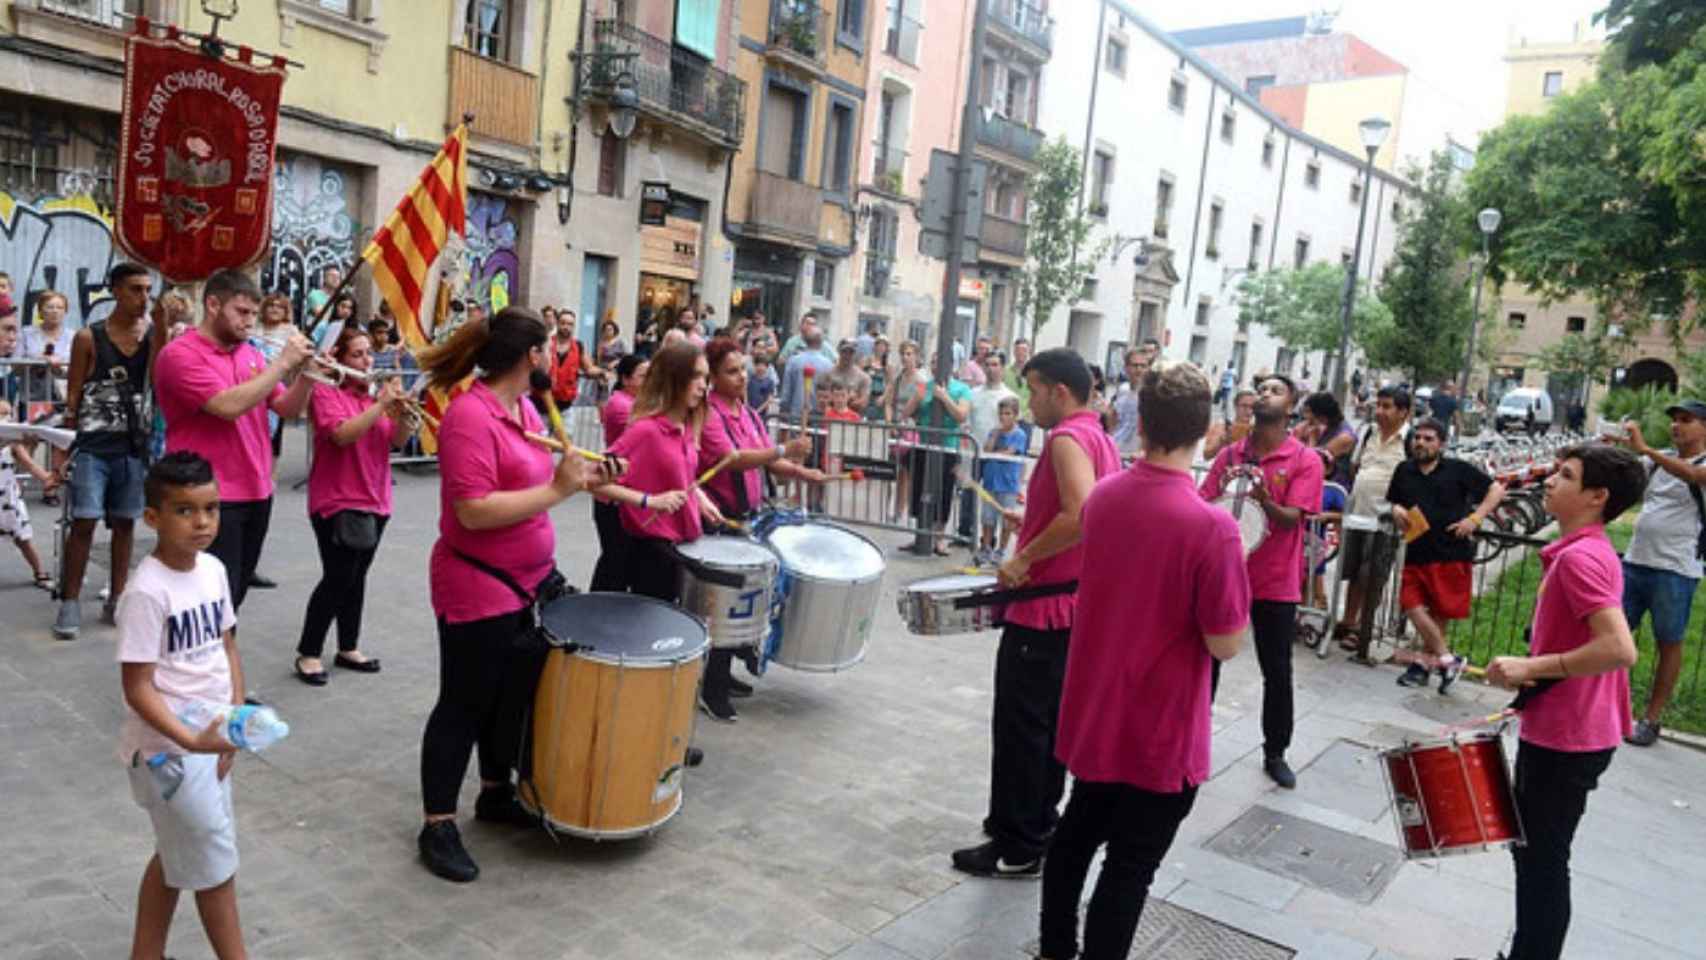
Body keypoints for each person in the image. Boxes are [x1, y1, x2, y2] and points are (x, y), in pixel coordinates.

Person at [1039, 360, 1249, 960]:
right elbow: (1224, 643)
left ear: (1142, 421)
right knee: (1130, 868)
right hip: (1161, 730)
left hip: (1097, 712)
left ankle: (1056, 950)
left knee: (1075, 838)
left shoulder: (1103, 500)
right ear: (1206, 432)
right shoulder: (1213, 529)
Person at [415, 306, 602, 883]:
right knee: (465, 703)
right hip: (477, 582)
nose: (551, 357)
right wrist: (556, 490)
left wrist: (590, 477)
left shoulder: (519, 408)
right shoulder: (470, 415)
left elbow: (540, 479)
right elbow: (472, 511)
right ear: (533, 356)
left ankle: (496, 793)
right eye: (547, 348)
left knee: (509, 700)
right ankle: (437, 823)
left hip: (526, 582)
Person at [951, 348, 1122, 878]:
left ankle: (1018, 842)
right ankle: (1034, 823)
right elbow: (1082, 511)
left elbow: (1082, 514)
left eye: (1034, 391)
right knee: (1048, 730)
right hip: (1073, 608)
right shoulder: (1099, 437)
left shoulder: (1069, 438)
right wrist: (1032, 520)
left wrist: (1025, 556)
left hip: (1042, 610)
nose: (1028, 402)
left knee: (1022, 730)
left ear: (1059, 392)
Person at [1485, 443, 1643, 960]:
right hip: (1573, 726)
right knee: (1537, 854)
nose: (1550, 482)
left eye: (1566, 475)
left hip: (1569, 734)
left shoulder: (1580, 560)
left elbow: (1620, 649)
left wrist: (1532, 667)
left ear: (1597, 496)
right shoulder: (1589, 549)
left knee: (1542, 860)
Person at [116, 452, 250, 960]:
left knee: (179, 853)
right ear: (153, 517)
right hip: (167, 753)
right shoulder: (147, 592)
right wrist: (191, 739)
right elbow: (138, 686)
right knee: (215, 867)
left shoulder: (213, 570)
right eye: (184, 511)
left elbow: (227, 645)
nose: (202, 522)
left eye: (211, 509)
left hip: (211, 741)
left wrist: (233, 718)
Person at [155, 269, 315, 614]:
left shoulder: (250, 353)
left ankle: (221, 663)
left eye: (253, 314)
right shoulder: (180, 354)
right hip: (209, 493)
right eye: (242, 312)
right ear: (213, 304)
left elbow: (285, 407)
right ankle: (196, 664)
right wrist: (283, 362)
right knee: (206, 598)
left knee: (235, 595)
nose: (249, 322)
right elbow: (227, 406)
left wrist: (308, 377)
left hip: (257, 488)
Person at [1199, 374, 1323, 788]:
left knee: (1277, 670)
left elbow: (1292, 521)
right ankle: (1194, 737)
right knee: (1206, 661)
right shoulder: (1232, 453)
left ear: (1290, 407)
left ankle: (1275, 751)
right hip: (1225, 575)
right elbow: (1202, 503)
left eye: (1276, 390)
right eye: (1261, 389)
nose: (1264, 395)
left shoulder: (1305, 460)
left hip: (1274, 582)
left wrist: (1263, 497)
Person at [696, 337, 821, 719]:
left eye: (743, 370)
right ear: (713, 377)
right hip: (718, 521)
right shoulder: (709, 414)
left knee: (744, 606)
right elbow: (732, 459)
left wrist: (802, 469)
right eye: (731, 372)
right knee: (722, 609)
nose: (741, 378)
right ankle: (711, 686)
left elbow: (767, 461)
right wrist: (785, 450)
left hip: (748, 520)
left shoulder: (748, 413)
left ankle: (726, 672)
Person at [293, 327, 414, 686]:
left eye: (367, 354)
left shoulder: (373, 397)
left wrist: (405, 415)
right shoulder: (326, 393)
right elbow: (342, 435)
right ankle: (309, 651)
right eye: (357, 355)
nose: (366, 361)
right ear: (340, 359)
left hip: (376, 498)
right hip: (337, 498)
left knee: (357, 577)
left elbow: (396, 441)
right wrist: (380, 405)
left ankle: (348, 646)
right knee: (338, 577)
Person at [53, 264, 160, 638]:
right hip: (94, 446)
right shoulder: (89, 337)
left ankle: (117, 595)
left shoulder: (150, 336)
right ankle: (69, 599)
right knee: (83, 521)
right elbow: (74, 393)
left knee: (126, 522)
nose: (143, 297)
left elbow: (161, 374)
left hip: (133, 445)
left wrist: (162, 327)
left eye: (147, 290)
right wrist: (65, 446)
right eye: (135, 289)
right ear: (115, 290)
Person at [595, 341, 726, 602]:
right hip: (652, 553)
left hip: (683, 546)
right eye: (695, 376)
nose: (703, 385)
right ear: (673, 378)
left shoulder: (686, 426)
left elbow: (680, 475)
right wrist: (649, 501)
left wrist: (698, 497)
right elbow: (594, 482)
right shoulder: (646, 431)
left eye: (705, 377)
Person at [1613, 400, 1706, 746]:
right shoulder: (1656, 462)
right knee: (1612, 636)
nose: (1677, 426)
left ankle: (1651, 719)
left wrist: (1647, 449)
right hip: (1636, 562)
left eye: (1687, 420)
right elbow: (1624, 479)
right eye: (1675, 420)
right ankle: (1610, 705)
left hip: (1676, 569)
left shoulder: (1694, 462)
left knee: (1669, 642)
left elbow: (1695, 476)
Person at [1387, 418, 1504, 690]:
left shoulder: (1458, 469)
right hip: (1416, 550)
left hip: (1451, 552)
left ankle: (1423, 666)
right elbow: (1394, 501)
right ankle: (1448, 659)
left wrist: (1475, 519)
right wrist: (1395, 510)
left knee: (1439, 613)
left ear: (1441, 444)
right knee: (1410, 605)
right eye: (1418, 437)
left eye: (1429, 439)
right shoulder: (1403, 470)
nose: (1421, 443)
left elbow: (1496, 489)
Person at [1335, 385, 1412, 651]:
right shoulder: (1369, 432)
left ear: (1403, 412)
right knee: (1353, 571)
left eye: (1387, 406)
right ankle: (1347, 620)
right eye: (1378, 405)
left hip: (1385, 523)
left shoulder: (1411, 440)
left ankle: (1362, 628)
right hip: (1357, 513)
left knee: (1372, 575)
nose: (1379, 411)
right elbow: (1356, 467)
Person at [900, 357, 971, 556]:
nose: (936, 366)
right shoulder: (924, 386)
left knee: (944, 492)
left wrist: (944, 397)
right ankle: (919, 535)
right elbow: (906, 412)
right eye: (933, 362)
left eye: (939, 362)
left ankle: (939, 539)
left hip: (948, 448)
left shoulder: (961, 389)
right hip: (924, 445)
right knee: (919, 490)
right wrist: (917, 399)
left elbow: (961, 415)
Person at [590, 354, 648, 592]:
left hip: (625, 492)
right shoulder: (620, 404)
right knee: (614, 561)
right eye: (644, 376)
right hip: (613, 494)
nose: (650, 381)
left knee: (619, 560)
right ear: (625, 379)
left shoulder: (638, 402)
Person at [963, 351, 1017, 557]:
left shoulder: (1008, 396)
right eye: (987, 364)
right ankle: (965, 531)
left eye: (995, 365)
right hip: (975, 450)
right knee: (970, 492)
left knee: (994, 499)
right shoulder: (974, 393)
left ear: (1002, 368)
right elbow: (967, 420)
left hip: (997, 457)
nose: (991, 368)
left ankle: (991, 541)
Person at [0, 398, 54, 588]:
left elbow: (30, 465)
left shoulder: (13, 445)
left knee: (23, 538)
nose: (5, 420)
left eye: (8, 415)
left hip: (8, 498)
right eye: (1, 415)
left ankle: (39, 572)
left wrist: (48, 478)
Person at [979, 396, 1026, 562]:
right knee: (987, 517)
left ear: (1015, 415)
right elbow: (987, 449)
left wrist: (997, 452)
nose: (1003, 417)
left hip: (1008, 484)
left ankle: (1001, 550)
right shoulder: (994, 432)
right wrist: (995, 436)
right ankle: (986, 548)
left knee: (1007, 520)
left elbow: (1010, 452)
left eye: (1007, 414)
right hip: (991, 480)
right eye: (1001, 413)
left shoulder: (1019, 434)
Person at [1296, 391, 1356, 488]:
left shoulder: (1344, 437)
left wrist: (1312, 439)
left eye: (1309, 413)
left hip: (1333, 488)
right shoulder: (1327, 427)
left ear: (1322, 416)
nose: (1307, 418)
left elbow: (1312, 464)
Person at [778, 320, 834, 421]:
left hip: (795, 415)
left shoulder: (793, 361)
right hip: (818, 418)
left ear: (805, 341)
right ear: (821, 342)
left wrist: (783, 412)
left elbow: (786, 392)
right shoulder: (828, 365)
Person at [546, 308, 599, 408]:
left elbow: (589, 369)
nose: (566, 327)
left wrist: (603, 372)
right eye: (563, 323)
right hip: (543, 402)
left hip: (566, 405)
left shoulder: (578, 346)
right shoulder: (546, 343)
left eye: (570, 324)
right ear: (557, 323)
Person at [1109, 347, 1149, 457]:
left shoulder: (1151, 394)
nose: (1139, 369)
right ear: (1126, 368)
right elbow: (1114, 418)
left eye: (1143, 366)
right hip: (1116, 451)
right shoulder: (1122, 389)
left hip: (1135, 456)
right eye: (1135, 365)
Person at [1202, 388, 1256, 460]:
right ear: (1235, 406)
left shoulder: (1256, 430)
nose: (1248, 411)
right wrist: (1221, 441)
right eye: (1244, 406)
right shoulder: (1221, 427)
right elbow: (1206, 455)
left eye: (1252, 407)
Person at [831, 338, 872, 412]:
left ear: (855, 354)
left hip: (852, 420)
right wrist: (849, 398)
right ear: (839, 351)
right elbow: (823, 398)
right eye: (844, 351)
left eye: (851, 352)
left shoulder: (863, 377)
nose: (847, 355)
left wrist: (841, 399)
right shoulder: (829, 373)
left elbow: (863, 403)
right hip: (830, 417)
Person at [865, 336, 891, 419]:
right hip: (867, 397)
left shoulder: (887, 366)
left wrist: (883, 397)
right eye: (879, 345)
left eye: (884, 346)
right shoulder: (866, 361)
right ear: (875, 346)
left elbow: (890, 384)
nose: (881, 348)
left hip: (879, 398)